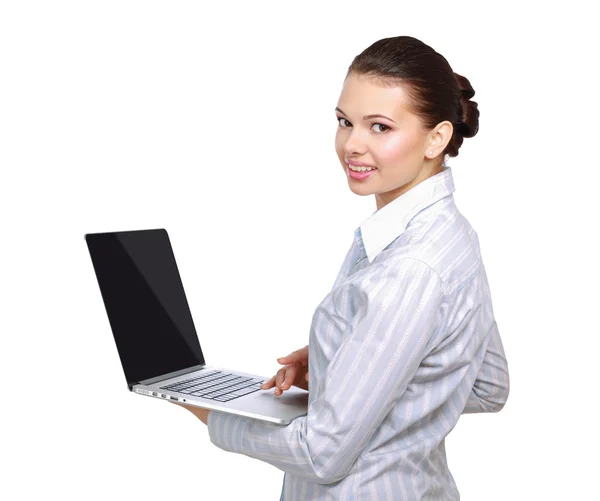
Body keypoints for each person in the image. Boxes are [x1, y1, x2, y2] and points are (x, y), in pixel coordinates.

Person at [175, 35, 510, 500]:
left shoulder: (407, 268)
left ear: (438, 137)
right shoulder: (452, 235)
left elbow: (321, 455)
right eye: (344, 121)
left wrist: (209, 409)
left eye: (380, 127)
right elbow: (487, 384)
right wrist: (349, 373)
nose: (351, 144)